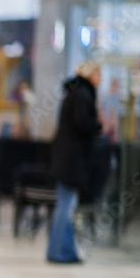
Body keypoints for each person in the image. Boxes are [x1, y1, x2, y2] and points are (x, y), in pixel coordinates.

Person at [47, 61, 102, 263]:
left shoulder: (74, 92)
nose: (100, 79)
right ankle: (60, 252)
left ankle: (63, 250)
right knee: (66, 205)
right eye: (99, 74)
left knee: (65, 204)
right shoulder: (82, 95)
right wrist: (97, 126)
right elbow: (82, 123)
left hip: (65, 158)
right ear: (91, 74)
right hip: (71, 160)